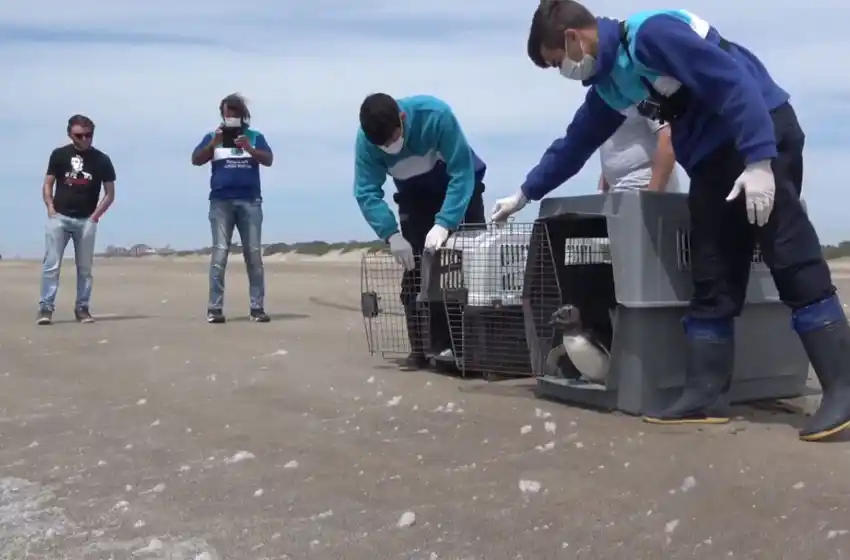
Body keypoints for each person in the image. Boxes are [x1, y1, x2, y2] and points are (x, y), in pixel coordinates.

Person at [492, 0, 850, 442]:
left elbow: (732, 80)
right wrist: (524, 193)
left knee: (787, 252)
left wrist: (759, 159)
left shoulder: (651, 35)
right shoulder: (610, 84)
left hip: (757, 131)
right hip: (711, 159)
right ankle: (705, 393)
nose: (562, 71)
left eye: (556, 62)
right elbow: (575, 143)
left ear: (572, 39)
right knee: (713, 270)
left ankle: (843, 388)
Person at [354, 93, 486, 369]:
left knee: (475, 267)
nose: (390, 147)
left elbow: (461, 172)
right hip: (415, 197)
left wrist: (445, 222)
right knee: (416, 273)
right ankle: (425, 348)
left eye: (392, 139)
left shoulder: (435, 116)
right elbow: (366, 192)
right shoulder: (367, 142)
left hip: (459, 188)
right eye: (382, 145)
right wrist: (391, 234)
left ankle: (477, 347)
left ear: (402, 120)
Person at [192, 93, 274, 324]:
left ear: (242, 116)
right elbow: (196, 159)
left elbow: (268, 159)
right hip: (221, 201)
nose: (230, 118)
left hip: (250, 201)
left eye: (234, 115)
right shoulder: (212, 136)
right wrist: (213, 144)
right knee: (219, 254)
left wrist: (249, 148)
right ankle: (214, 308)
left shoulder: (255, 137)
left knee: (254, 255)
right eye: (227, 114)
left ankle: (257, 307)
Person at [38, 114, 116, 325]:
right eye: (79, 135)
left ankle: (82, 308)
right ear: (70, 135)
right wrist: (50, 207)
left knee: (85, 268)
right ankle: (46, 308)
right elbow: (48, 183)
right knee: (51, 265)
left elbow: (109, 193)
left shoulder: (102, 160)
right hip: (60, 218)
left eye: (88, 135)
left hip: (86, 220)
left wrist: (95, 217)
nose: (84, 139)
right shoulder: (59, 155)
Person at [598, 109, 679, 193]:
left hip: (644, 190)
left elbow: (667, 143)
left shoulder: (647, 98)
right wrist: (602, 192)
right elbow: (611, 152)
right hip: (616, 194)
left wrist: (652, 197)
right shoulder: (602, 104)